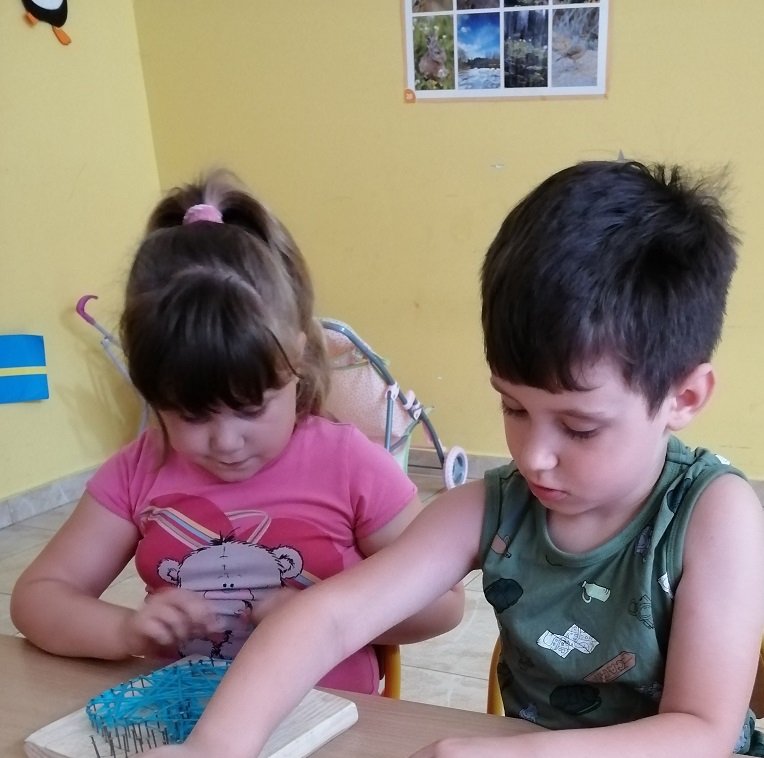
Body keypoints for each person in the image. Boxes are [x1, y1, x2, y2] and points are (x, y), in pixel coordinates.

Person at [114, 159, 764, 758]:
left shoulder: (715, 516)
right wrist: (215, 756)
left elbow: (700, 740)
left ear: (684, 397)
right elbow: (328, 618)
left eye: (579, 427)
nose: (534, 456)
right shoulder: (495, 507)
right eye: (513, 407)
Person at [11, 170, 464, 691]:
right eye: (190, 415)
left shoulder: (349, 465)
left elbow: (444, 603)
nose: (225, 443)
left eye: (251, 408)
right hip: (184, 717)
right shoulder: (140, 470)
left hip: (330, 720)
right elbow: (39, 597)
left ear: (296, 359)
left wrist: (324, 613)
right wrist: (125, 630)